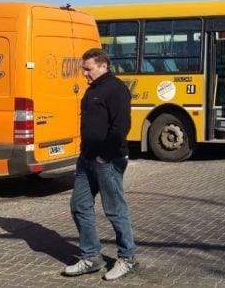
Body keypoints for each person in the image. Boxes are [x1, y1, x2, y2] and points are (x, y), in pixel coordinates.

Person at [64, 48, 136, 281]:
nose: (84, 73)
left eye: (88, 68)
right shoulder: (93, 89)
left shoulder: (116, 89)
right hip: (87, 160)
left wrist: (104, 156)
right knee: (79, 206)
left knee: (115, 210)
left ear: (103, 65)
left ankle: (127, 258)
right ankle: (91, 257)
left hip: (109, 161)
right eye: (83, 69)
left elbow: (121, 127)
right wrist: (87, 155)